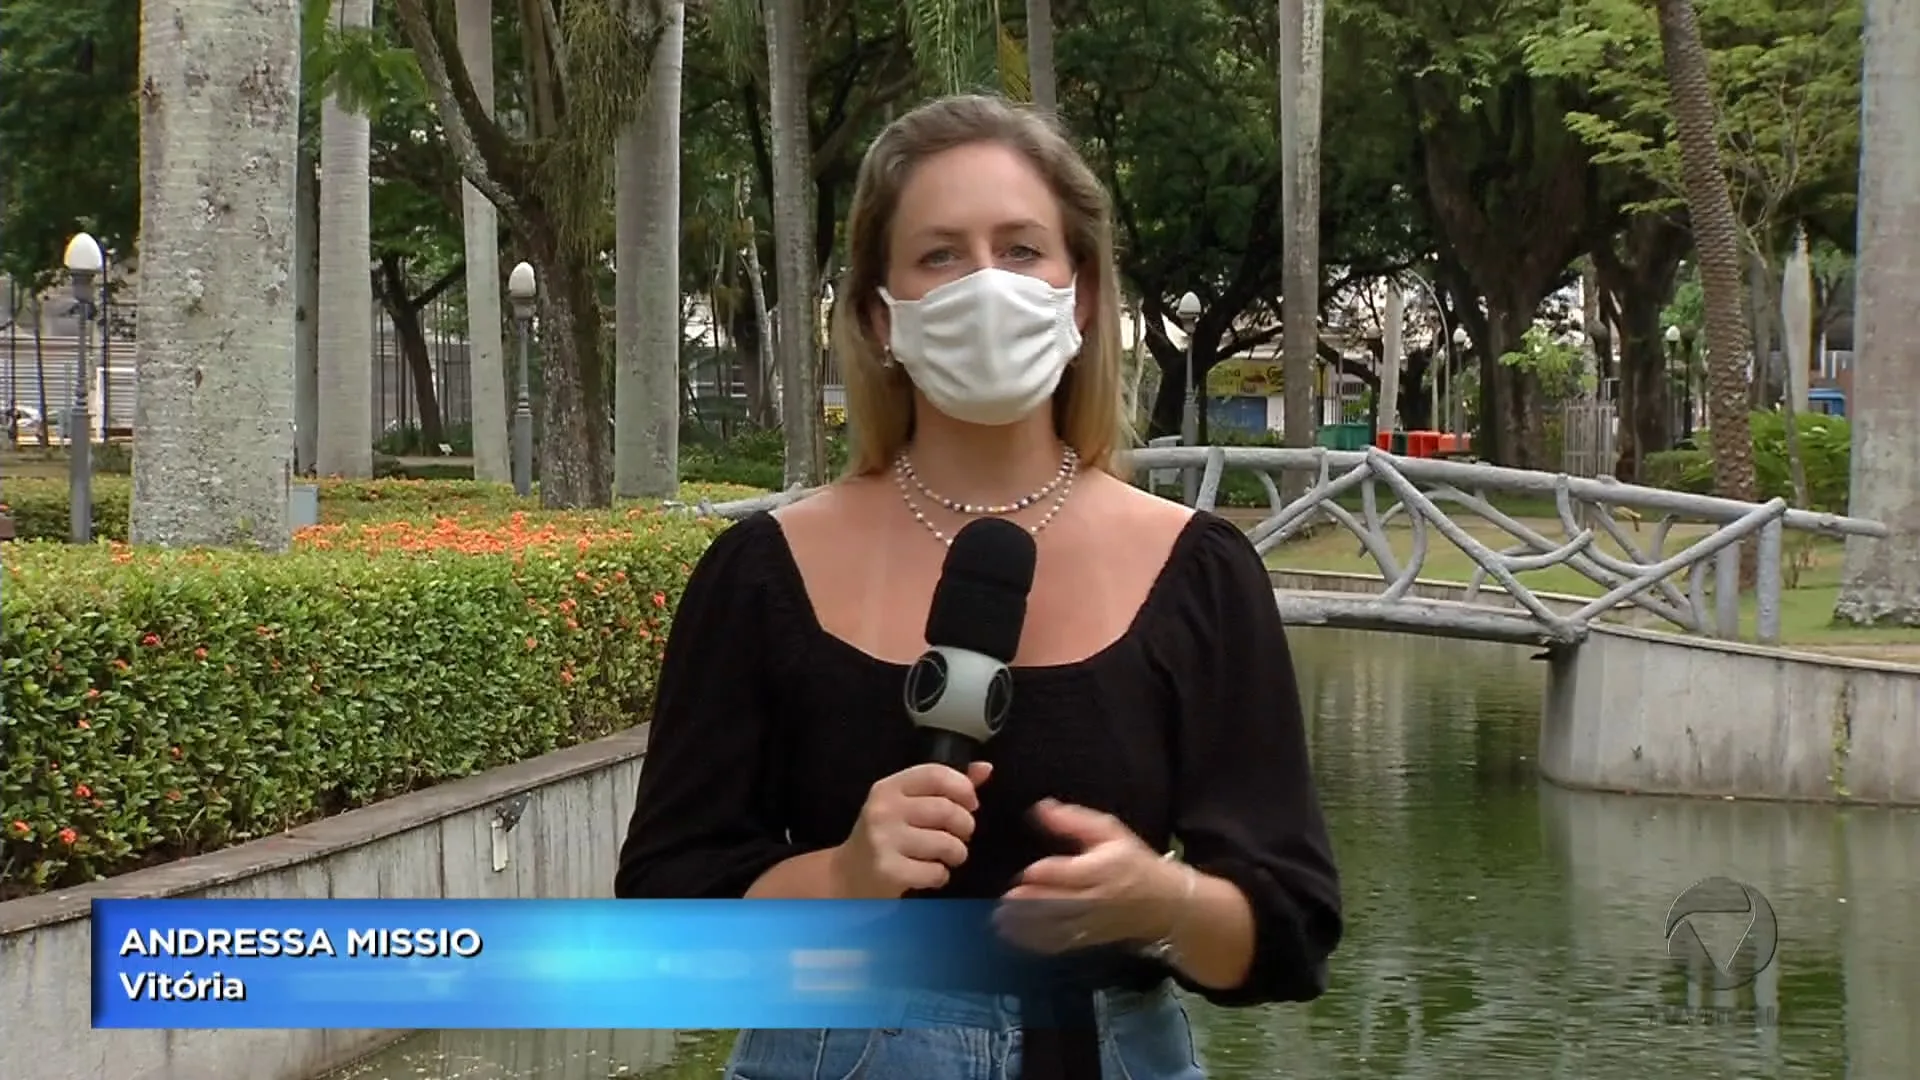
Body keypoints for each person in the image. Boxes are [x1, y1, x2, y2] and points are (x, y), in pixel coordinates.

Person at [614, 93, 1342, 1079]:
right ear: (880, 312)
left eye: (1022, 249)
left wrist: (1165, 905)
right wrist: (842, 877)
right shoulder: (760, 573)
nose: (986, 286)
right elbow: (664, 925)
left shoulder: (1200, 572)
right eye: (942, 255)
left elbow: (1289, 929)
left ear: (1081, 293)